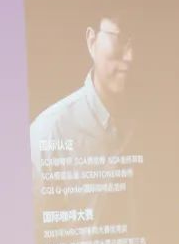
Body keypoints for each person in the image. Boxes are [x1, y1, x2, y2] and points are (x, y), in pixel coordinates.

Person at [29, 12, 136, 201]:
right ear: (92, 42)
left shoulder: (157, 126)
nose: (131, 56)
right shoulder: (49, 132)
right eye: (120, 39)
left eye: (137, 41)